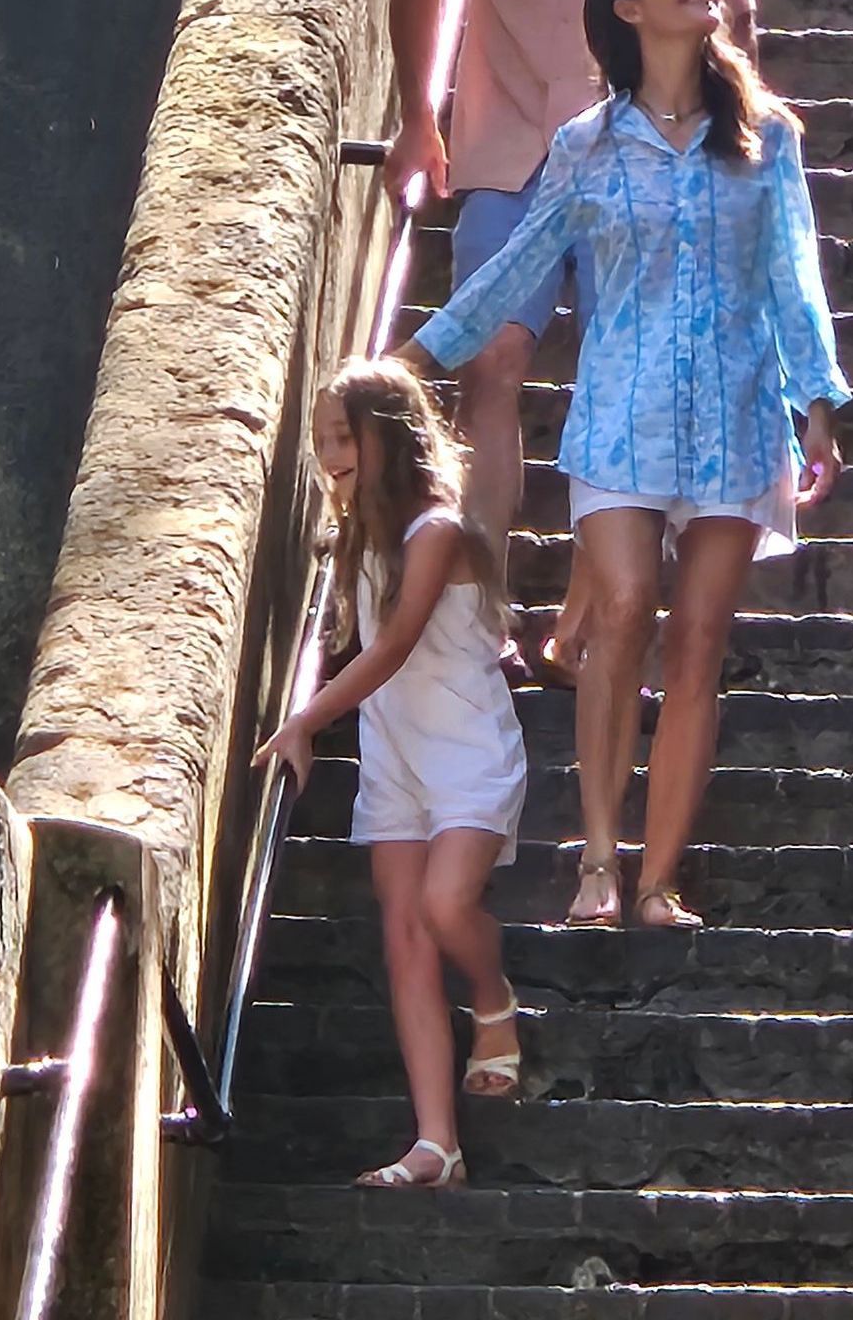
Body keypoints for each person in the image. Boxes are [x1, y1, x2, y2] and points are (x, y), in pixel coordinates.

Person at [398, 0, 849, 930]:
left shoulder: (766, 139)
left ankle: (657, 881)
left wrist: (816, 402)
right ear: (628, 10)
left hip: (737, 416)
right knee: (626, 604)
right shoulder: (586, 145)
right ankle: (598, 859)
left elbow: (794, 274)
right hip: (620, 415)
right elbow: (519, 267)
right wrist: (419, 356)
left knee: (698, 641)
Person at [384, 0, 756, 680]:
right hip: (510, 153)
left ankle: (582, 626)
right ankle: (483, 611)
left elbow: (733, 20)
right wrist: (417, 119)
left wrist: (733, 151)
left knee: (624, 386)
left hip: (642, 170)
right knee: (491, 362)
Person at [254, 358, 528, 1188]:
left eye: (345, 438)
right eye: (322, 442)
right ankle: (436, 1143)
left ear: (390, 438)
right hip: (394, 756)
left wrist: (305, 719)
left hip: (469, 748)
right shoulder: (359, 542)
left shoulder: (435, 531)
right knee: (405, 935)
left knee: (446, 906)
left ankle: (494, 1001)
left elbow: (397, 644)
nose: (330, 456)